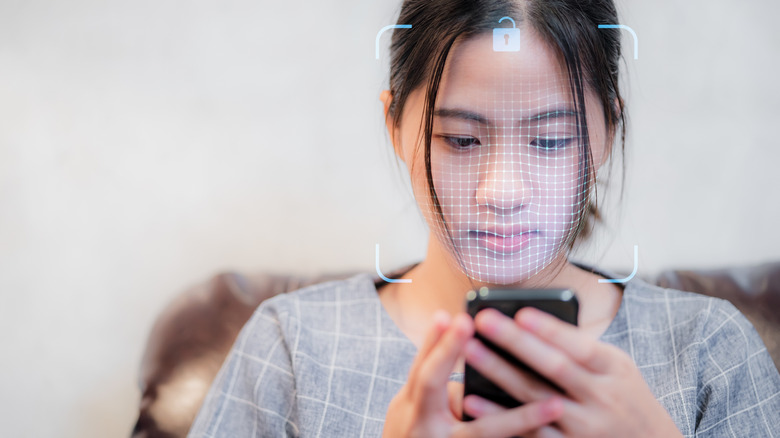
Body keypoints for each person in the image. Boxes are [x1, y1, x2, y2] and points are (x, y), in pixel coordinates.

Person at [187, 0, 780, 436]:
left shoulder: (708, 349)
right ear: (395, 125)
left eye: (549, 141)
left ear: (606, 133)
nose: (503, 193)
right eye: (462, 140)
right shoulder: (292, 347)